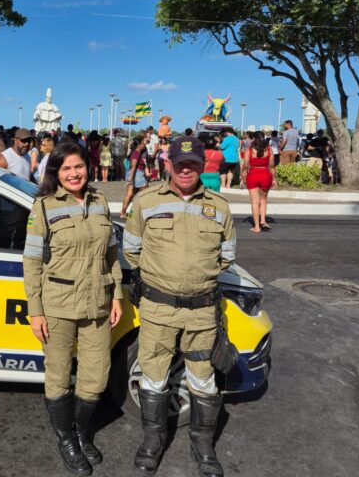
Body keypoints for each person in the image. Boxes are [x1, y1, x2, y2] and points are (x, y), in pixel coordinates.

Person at [123, 135, 236, 477]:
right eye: (180, 163)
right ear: (168, 164)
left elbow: (227, 258)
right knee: (154, 377)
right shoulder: (145, 201)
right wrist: (166, 277)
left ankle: (202, 443)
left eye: (193, 164)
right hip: (158, 310)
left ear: (203, 166)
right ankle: (153, 440)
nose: (186, 169)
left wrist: (194, 279)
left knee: (203, 380)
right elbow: (132, 251)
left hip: (201, 312)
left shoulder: (219, 206)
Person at [23, 141, 122, 476]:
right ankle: (67, 439)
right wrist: (35, 310)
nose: (73, 173)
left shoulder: (100, 202)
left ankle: (81, 431)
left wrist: (117, 295)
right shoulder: (44, 206)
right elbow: (32, 261)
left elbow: (111, 254)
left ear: (87, 167)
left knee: (95, 379)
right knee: (59, 376)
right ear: (56, 173)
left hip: (97, 303)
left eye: (78, 166)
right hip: (58, 305)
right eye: (65, 168)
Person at [241, 131, 277, 233]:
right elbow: (272, 166)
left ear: (254, 139)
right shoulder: (269, 150)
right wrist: (274, 179)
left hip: (252, 174)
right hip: (265, 174)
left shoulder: (249, 151)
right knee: (263, 200)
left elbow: (245, 166)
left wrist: (243, 179)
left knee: (254, 202)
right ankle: (263, 221)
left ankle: (256, 227)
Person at [120, 136, 149, 219]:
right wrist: (131, 180)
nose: (144, 145)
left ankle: (123, 212)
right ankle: (146, 212)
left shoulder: (135, 152)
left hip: (133, 174)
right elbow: (133, 166)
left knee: (130, 194)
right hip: (137, 175)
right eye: (143, 143)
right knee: (148, 193)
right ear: (139, 144)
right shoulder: (137, 153)